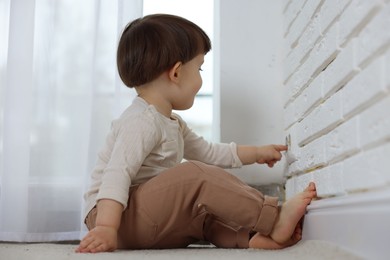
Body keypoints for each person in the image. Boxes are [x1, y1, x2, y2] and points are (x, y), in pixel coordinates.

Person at [76, 14, 316, 253]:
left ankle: (251, 238)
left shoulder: (173, 123)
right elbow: (117, 173)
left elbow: (208, 152)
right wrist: (107, 227)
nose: (201, 78)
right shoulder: (141, 121)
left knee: (203, 212)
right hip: (115, 216)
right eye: (199, 68)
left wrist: (256, 153)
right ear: (177, 73)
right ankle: (274, 219)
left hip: (148, 221)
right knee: (194, 176)